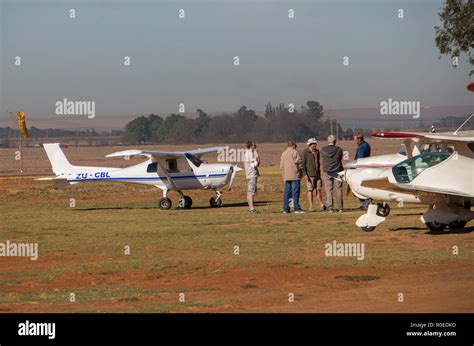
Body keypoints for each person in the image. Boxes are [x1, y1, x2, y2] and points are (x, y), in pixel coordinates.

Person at [321, 135, 344, 212]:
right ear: (335, 141)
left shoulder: (323, 150)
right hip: (337, 171)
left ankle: (330, 207)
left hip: (328, 171)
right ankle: (340, 207)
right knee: (339, 189)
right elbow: (340, 158)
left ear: (328, 141)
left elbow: (324, 158)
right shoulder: (339, 149)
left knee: (329, 190)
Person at [301, 138, 325, 211]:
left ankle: (321, 205)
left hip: (317, 174)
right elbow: (303, 164)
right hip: (309, 174)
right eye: (314, 143)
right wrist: (305, 174)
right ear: (310, 144)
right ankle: (311, 206)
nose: (315, 145)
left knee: (319, 189)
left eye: (315, 143)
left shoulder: (317, 152)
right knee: (310, 190)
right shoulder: (305, 152)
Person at [280, 141, 304, 214]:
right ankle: (296, 208)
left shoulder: (284, 153)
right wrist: (301, 169)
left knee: (287, 193)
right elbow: (299, 162)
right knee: (295, 192)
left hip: (286, 176)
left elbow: (281, 165)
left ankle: (286, 208)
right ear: (293, 145)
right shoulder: (295, 152)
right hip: (295, 175)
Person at [354, 134, 371, 210]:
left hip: (361, 169)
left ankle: (365, 204)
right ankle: (365, 204)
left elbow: (359, 159)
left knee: (360, 187)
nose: (354, 141)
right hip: (365, 168)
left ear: (359, 139)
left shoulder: (362, 147)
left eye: (355, 139)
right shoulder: (366, 145)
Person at [244, 140, 260, 213]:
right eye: (254, 145)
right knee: (251, 191)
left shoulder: (252, 153)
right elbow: (253, 165)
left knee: (252, 191)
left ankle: (251, 207)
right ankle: (251, 208)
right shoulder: (249, 154)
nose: (255, 146)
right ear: (250, 145)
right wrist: (258, 159)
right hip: (251, 174)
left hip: (252, 174)